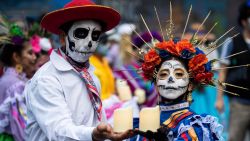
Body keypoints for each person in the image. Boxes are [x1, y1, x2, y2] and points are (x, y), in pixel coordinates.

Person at [24, 0, 132, 140]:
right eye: (81, 33)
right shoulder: (46, 79)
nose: (89, 43)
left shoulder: (91, 76)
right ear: (63, 38)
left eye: (95, 36)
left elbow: (99, 125)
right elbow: (59, 131)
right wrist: (93, 134)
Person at [129, 35, 224, 140]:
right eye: (164, 74)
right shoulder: (141, 123)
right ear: (156, 85)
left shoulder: (195, 126)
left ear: (190, 85)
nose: (170, 79)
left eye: (178, 74)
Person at [215, 1, 250, 141]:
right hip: (238, 103)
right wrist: (219, 99)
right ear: (243, 21)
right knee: (235, 137)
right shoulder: (232, 42)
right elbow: (222, 72)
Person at [0, 22, 36, 141]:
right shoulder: (16, 86)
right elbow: (22, 129)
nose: (34, 58)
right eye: (30, 53)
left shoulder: (7, 79)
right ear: (16, 57)